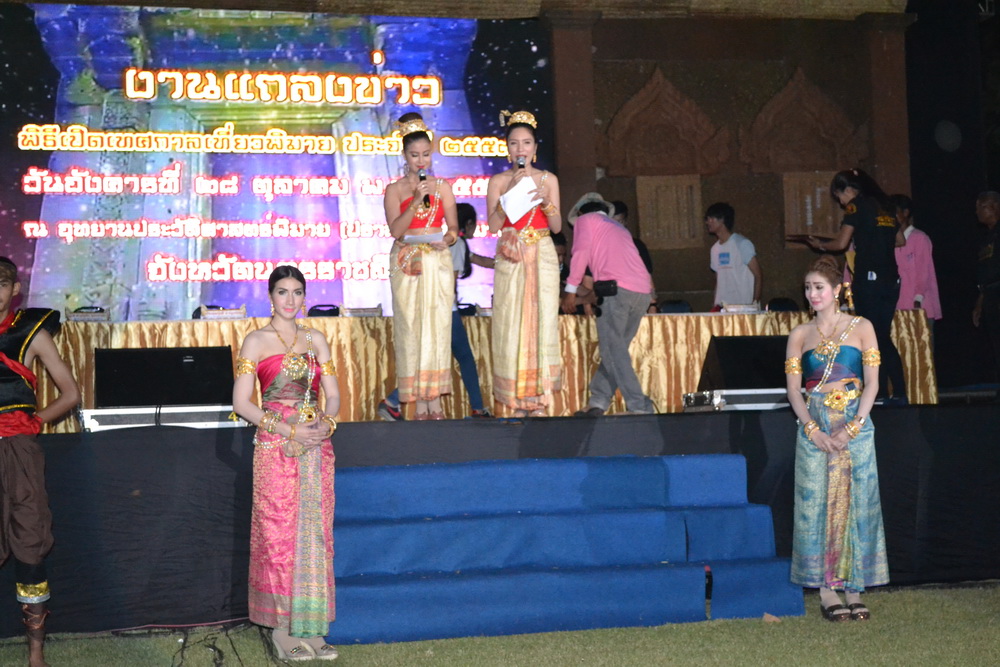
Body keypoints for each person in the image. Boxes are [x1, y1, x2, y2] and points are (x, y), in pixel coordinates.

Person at [232, 265, 339, 661]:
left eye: (297, 292)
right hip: (276, 446)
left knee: (314, 535)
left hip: (316, 446)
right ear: (270, 296)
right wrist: (288, 430)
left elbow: (333, 395)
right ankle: (280, 630)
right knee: (278, 535)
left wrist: (326, 424)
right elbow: (242, 403)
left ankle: (312, 627)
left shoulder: (316, 338)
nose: (290, 299)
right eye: (282, 291)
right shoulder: (256, 341)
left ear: (305, 297)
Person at [784, 255, 888, 622]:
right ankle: (826, 590)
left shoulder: (862, 327)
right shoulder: (799, 334)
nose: (812, 294)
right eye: (808, 288)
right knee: (817, 505)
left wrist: (854, 427)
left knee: (857, 502)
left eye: (819, 287)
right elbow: (794, 391)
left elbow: (872, 383)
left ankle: (854, 589)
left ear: (838, 290)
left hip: (855, 422)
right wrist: (812, 429)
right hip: (814, 425)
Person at [0, 257, 80, 667]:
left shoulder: (30, 332)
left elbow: (70, 393)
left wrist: (33, 422)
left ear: (15, 289)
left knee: (30, 544)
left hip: (19, 452)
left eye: (1, 283)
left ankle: (36, 654)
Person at [377, 204, 493, 420]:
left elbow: (479, 260)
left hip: (432, 307)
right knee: (462, 357)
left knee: (431, 357)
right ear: (467, 223)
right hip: (445, 309)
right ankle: (476, 407)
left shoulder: (444, 243)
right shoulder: (453, 244)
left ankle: (395, 401)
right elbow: (451, 278)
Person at [383, 113, 459, 420]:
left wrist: (447, 239)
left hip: (436, 261)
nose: (421, 161)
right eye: (414, 155)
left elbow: (453, 229)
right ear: (404, 156)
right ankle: (416, 401)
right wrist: (415, 201)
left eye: (426, 154)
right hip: (406, 261)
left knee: (437, 327)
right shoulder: (395, 190)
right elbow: (396, 230)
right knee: (411, 328)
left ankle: (434, 401)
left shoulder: (443, 187)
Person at [486, 109, 562, 417]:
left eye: (526, 143)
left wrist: (547, 202)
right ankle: (516, 401)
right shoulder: (498, 181)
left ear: (535, 148)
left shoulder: (548, 179)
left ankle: (539, 399)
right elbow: (493, 226)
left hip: (541, 254)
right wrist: (508, 197)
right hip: (511, 254)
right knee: (512, 323)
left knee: (541, 322)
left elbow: (557, 227)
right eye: (514, 143)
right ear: (507, 148)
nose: (521, 149)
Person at [809, 169, 907, 405]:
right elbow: (900, 240)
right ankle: (893, 393)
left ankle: (886, 392)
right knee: (880, 335)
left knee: (873, 337)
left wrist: (820, 244)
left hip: (869, 279)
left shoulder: (856, 206)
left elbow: (841, 243)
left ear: (847, 190)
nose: (842, 204)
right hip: (891, 280)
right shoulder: (885, 206)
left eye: (839, 197)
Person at [561, 193, 656, 416]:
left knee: (613, 351)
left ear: (580, 213)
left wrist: (570, 291)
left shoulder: (586, 220)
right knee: (615, 351)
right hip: (641, 293)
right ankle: (599, 400)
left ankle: (639, 405)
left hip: (617, 291)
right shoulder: (618, 228)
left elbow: (580, 253)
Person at [890, 195, 942, 327]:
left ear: (905, 213)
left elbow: (923, 272)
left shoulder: (919, 238)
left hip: (919, 305)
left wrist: (918, 299)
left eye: (894, 212)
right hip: (898, 306)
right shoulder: (890, 241)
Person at [704, 202, 762, 309]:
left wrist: (754, 304)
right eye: (707, 219)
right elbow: (718, 280)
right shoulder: (714, 249)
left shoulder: (742, 243)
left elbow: (758, 275)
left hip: (743, 308)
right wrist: (715, 305)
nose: (708, 222)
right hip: (723, 308)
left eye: (711, 218)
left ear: (722, 219)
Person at [974, 191, 1000, 397]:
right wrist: (980, 302)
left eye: (981, 207)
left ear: (994, 207)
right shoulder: (986, 237)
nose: (977, 212)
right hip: (990, 294)